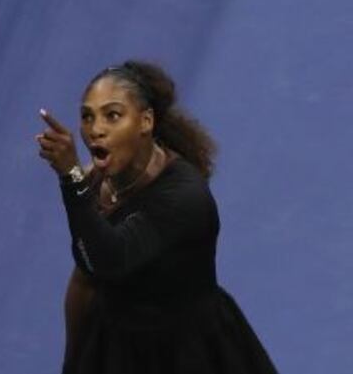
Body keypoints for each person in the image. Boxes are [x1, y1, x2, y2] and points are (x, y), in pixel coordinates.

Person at [35, 60, 276, 374]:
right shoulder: (102, 184)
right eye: (87, 117)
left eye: (112, 115)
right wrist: (73, 362)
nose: (96, 130)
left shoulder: (184, 199)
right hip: (117, 349)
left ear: (145, 121)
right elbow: (85, 279)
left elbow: (108, 259)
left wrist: (72, 179)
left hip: (191, 354)